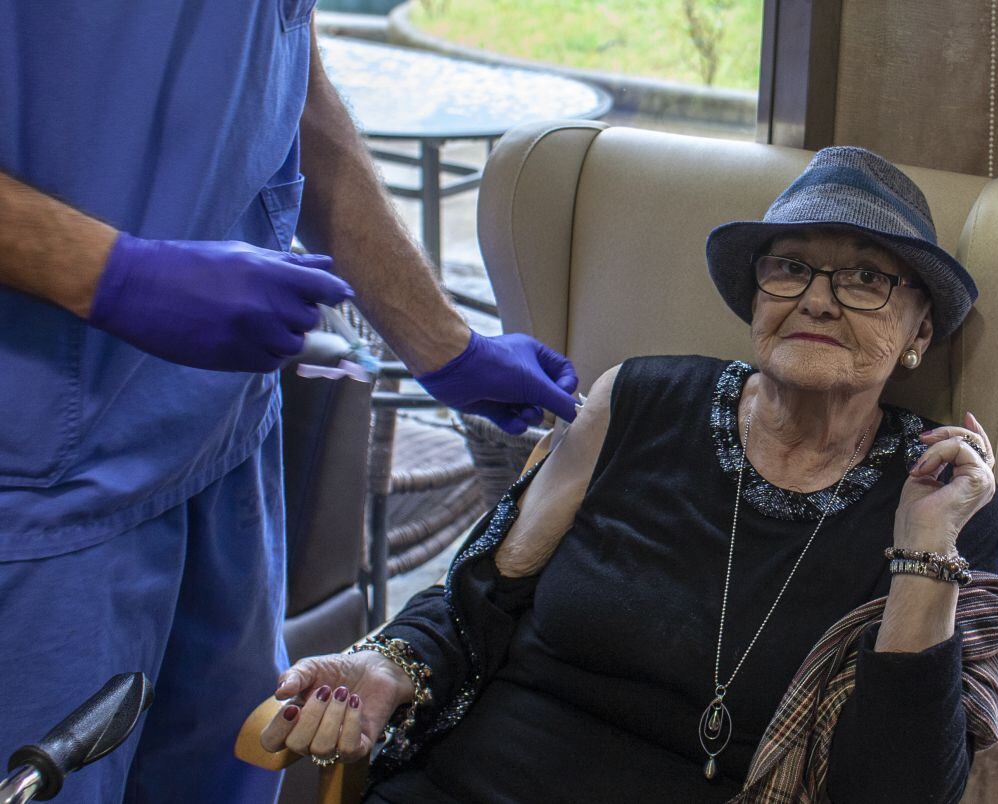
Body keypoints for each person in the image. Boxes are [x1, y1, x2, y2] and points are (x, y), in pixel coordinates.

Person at [262, 147, 998, 802]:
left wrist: (924, 550)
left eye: (865, 279)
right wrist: (384, 663)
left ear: (920, 330)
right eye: (790, 268)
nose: (817, 300)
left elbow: (899, 792)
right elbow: (476, 603)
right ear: (755, 299)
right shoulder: (635, 400)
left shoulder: (942, 497)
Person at [0, 6, 578, 803]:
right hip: (40, 487)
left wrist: (440, 340)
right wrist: (111, 274)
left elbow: (282, 74)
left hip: (221, 448)